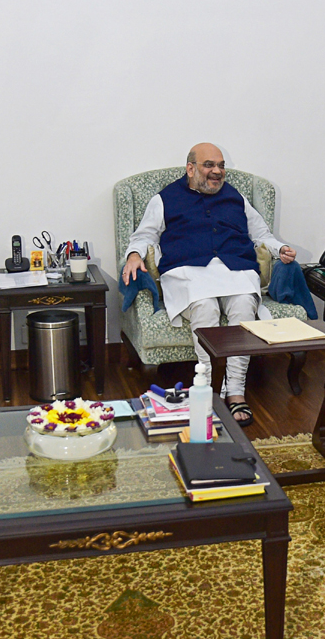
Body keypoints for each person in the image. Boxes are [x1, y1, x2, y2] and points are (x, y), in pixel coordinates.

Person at [122, 143, 296, 426]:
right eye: (209, 165)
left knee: (243, 304)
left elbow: (261, 233)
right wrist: (133, 256)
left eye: (221, 165)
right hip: (187, 271)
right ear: (190, 169)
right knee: (204, 308)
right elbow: (144, 236)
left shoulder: (235, 197)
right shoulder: (164, 199)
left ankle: (236, 392)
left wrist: (280, 249)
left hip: (234, 267)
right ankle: (210, 390)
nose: (217, 171)